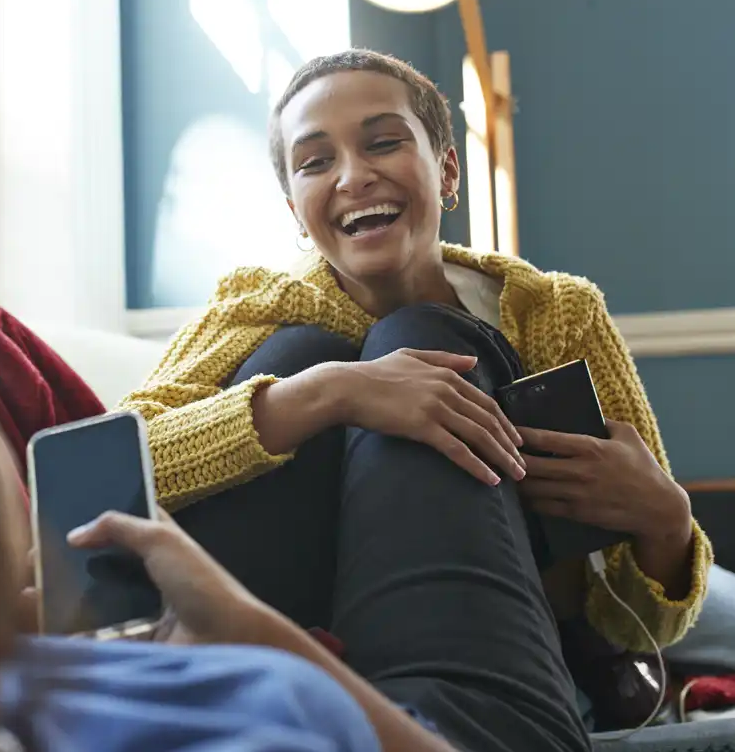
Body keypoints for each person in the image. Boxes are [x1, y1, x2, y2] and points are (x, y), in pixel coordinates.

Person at [119, 49, 712, 749]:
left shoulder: (555, 315)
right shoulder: (255, 307)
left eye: (383, 142)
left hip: (505, 655)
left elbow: (642, 623)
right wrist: (326, 393)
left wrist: (667, 525)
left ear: (448, 170)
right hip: (290, 627)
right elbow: (113, 468)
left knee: (415, 334)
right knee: (305, 354)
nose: (353, 174)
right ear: (294, 211)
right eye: (315, 162)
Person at [0, 265, 481, 752]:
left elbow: (105, 458)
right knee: (409, 334)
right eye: (313, 161)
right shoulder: (256, 707)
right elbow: (128, 456)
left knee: (336, 346)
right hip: (429, 713)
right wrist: (252, 628)